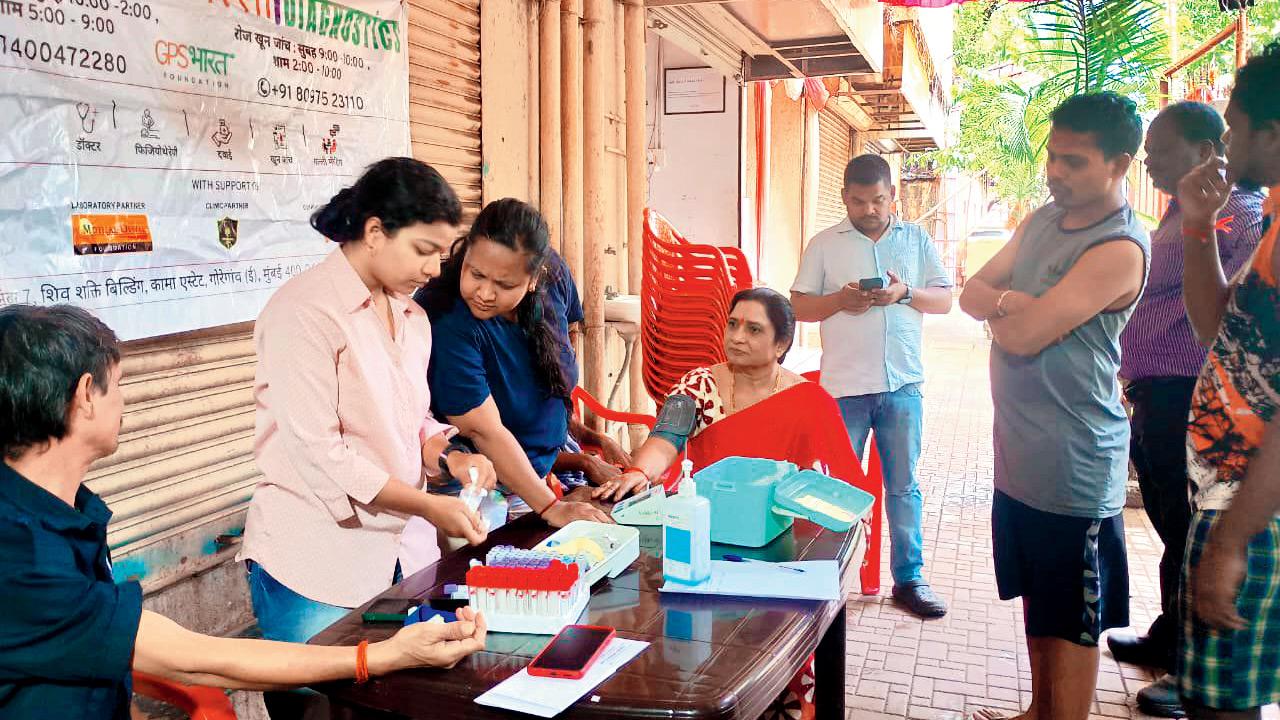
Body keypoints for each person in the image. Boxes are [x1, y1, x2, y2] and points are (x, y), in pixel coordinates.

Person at [0, 304, 488, 720]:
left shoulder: (58, 506)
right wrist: (381, 657)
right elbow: (195, 659)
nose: (126, 401)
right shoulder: (21, 557)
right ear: (86, 395)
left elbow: (97, 661)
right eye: (121, 383)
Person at [238, 157, 496, 645]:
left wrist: (451, 457)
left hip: (406, 556)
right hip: (319, 565)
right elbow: (320, 453)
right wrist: (426, 504)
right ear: (375, 231)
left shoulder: (412, 317)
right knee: (324, 706)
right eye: (423, 250)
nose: (432, 269)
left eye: (441, 254)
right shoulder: (304, 312)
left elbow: (409, 420)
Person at [594, 287, 872, 720]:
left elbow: (846, 484)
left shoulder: (810, 400)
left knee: (775, 657)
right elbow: (667, 438)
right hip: (704, 539)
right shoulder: (700, 384)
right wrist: (638, 473)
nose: (737, 337)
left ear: (782, 344)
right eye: (732, 324)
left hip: (777, 548)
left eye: (754, 329)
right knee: (700, 650)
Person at [959, 92, 1150, 720]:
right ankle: (1039, 711)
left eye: (1074, 162)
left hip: (1074, 464)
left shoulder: (1119, 246)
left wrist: (1010, 305)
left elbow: (1021, 334)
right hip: (1020, 458)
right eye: (1052, 156)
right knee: (1040, 603)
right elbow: (971, 292)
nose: (1055, 172)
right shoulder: (1041, 221)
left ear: (1120, 163)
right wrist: (1013, 303)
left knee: (1073, 620)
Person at [1110, 102, 1264, 718]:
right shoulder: (1180, 212)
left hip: (1188, 392)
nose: (1150, 159)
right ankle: (1169, 635)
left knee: (1191, 530)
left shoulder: (1238, 218)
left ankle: (1186, 668)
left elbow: (1227, 317)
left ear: (1206, 151)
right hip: (1156, 391)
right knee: (1173, 526)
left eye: (1162, 148)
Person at [790, 153, 954, 619]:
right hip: (844, 387)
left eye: (878, 200)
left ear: (893, 195)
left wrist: (905, 294)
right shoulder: (824, 244)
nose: (869, 210)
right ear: (845, 198)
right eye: (859, 201)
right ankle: (831, 578)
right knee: (838, 486)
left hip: (902, 384)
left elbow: (943, 300)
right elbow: (798, 308)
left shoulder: (917, 239)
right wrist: (839, 301)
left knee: (904, 486)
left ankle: (909, 579)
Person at [1173, 42, 1280, 720]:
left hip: (1254, 511)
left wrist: (1233, 541)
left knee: (1221, 708)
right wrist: (1195, 225)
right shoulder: (1271, 223)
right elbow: (1218, 326)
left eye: (1235, 126)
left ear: (1272, 134)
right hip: (1233, 499)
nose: (1225, 139)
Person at [415, 198, 611, 527]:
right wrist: (550, 507)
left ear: (535, 279)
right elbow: (483, 430)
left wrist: (582, 447)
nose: (485, 293)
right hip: (484, 493)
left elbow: (562, 360)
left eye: (505, 285)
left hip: (542, 476)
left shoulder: (554, 275)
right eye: (476, 274)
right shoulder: (445, 316)